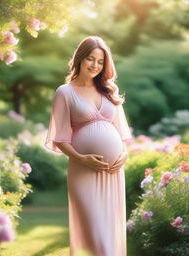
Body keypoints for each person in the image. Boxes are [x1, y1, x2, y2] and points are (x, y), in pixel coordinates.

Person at [44, 36, 132, 256]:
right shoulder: (65, 92)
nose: (95, 65)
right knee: (93, 232)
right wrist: (82, 159)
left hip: (113, 172)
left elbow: (121, 132)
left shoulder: (109, 90)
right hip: (83, 170)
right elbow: (60, 139)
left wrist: (124, 153)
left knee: (111, 231)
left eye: (100, 61)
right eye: (90, 59)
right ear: (80, 59)